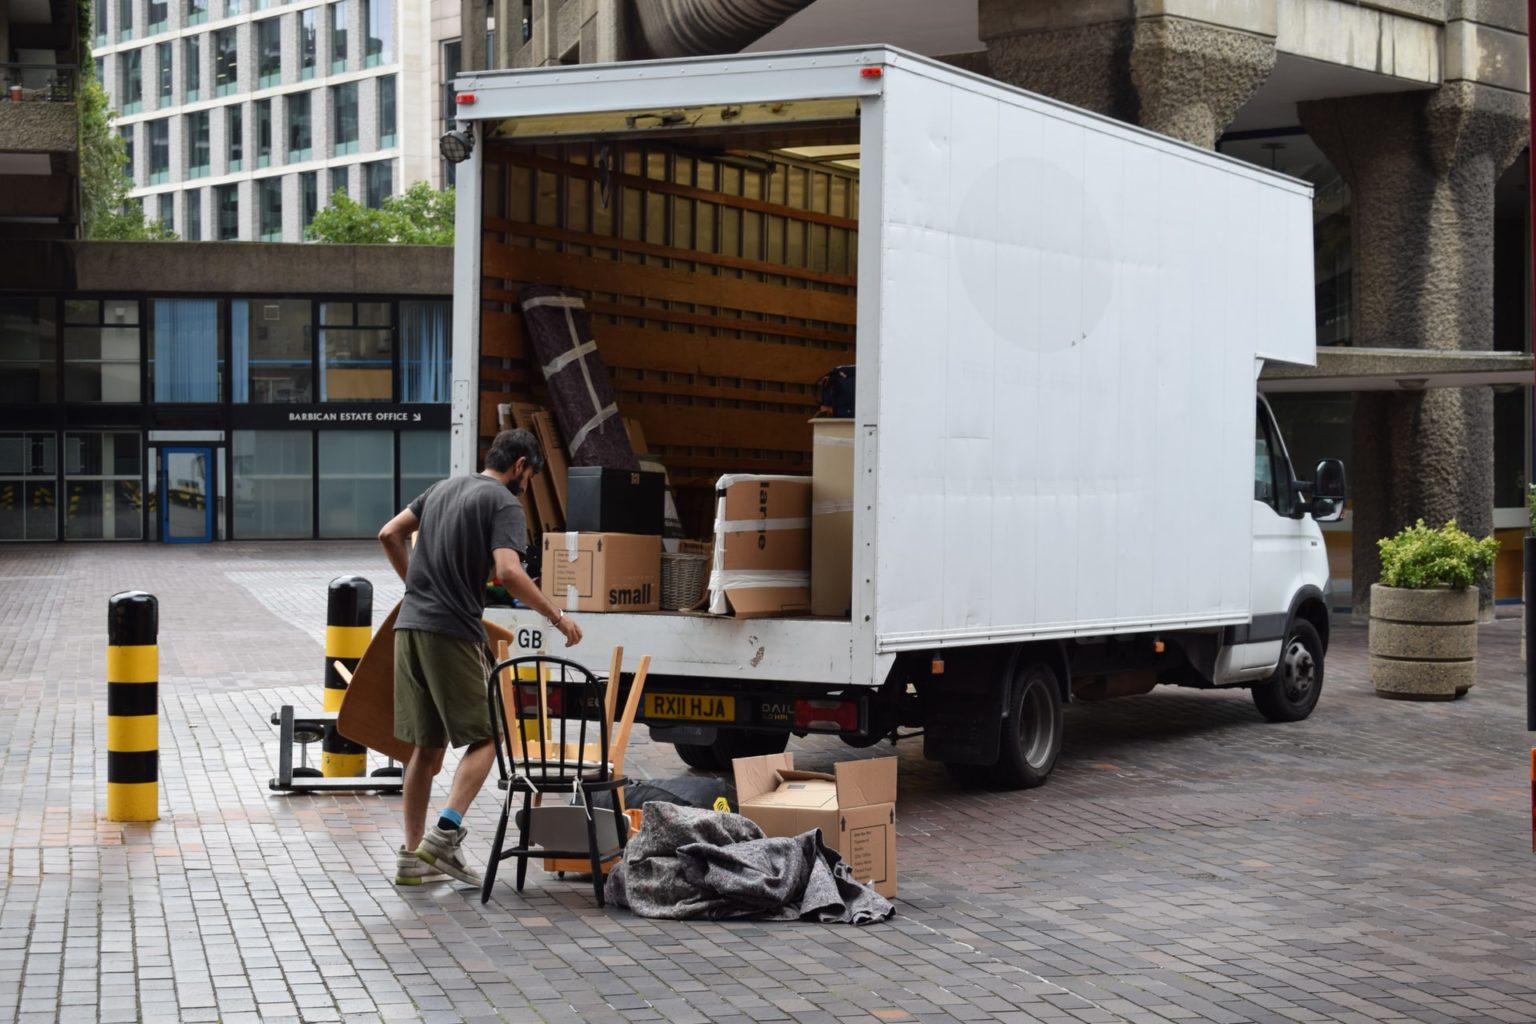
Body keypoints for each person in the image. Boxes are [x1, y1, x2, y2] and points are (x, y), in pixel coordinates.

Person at [377, 428, 582, 887]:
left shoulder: (443, 489)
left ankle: (412, 857)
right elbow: (509, 572)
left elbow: (389, 533)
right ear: (522, 467)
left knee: (424, 748)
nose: (525, 487)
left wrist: (415, 586)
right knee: (491, 734)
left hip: (410, 626)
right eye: (529, 477)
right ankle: (445, 835)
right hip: (452, 631)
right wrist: (556, 615)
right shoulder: (503, 503)